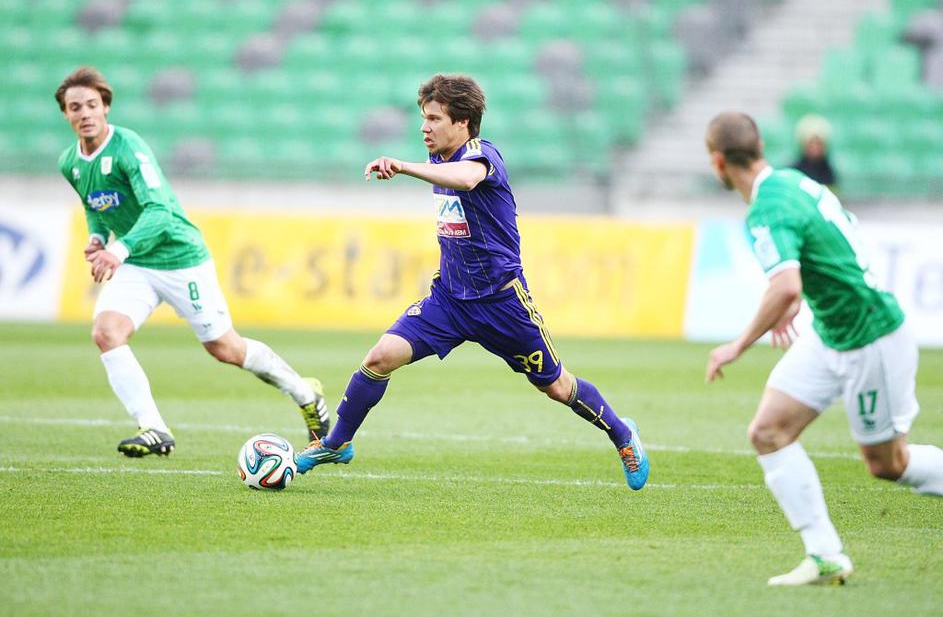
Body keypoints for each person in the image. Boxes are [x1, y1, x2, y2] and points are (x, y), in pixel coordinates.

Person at [294, 73, 649, 490]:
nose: (424, 127)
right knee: (379, 357)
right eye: (423, 118)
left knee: (556, 386)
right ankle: (338, 442)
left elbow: (467, 179)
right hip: (449, 300)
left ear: (462, 122)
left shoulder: (482, 155)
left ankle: (623, 435)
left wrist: (406, 167)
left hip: (501, 304)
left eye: (434, 118)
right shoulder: (441, 160)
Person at [704, 112, 943, 586]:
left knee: (887, 464)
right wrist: (801, 295)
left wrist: (738, 344)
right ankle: (824, 555)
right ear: (761, 146)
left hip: (869, 336)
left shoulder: (766, 210)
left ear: (717, 162)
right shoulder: (794, 182)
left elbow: (785, 286)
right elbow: (838, 238)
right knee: (769, 432)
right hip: (833, 331)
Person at [55, 66, 330, 457]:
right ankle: (154, 429)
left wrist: (117, 250)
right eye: (75, 107)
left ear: (106, 108)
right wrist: (98, 237)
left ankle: (306, 394)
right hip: (136, 263)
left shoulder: (128, 148)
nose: (84, 113)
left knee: (225, 349)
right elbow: (95, 202)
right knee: (106, 333)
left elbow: (160, 211)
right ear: (65, 114)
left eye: (92, 105)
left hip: (181, 259)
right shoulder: (70, 162)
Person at [791, 114, 837, 188]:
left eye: (818, 143)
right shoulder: (794, 171)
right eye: (811, 143)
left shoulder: (829, 172)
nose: (815, 148)